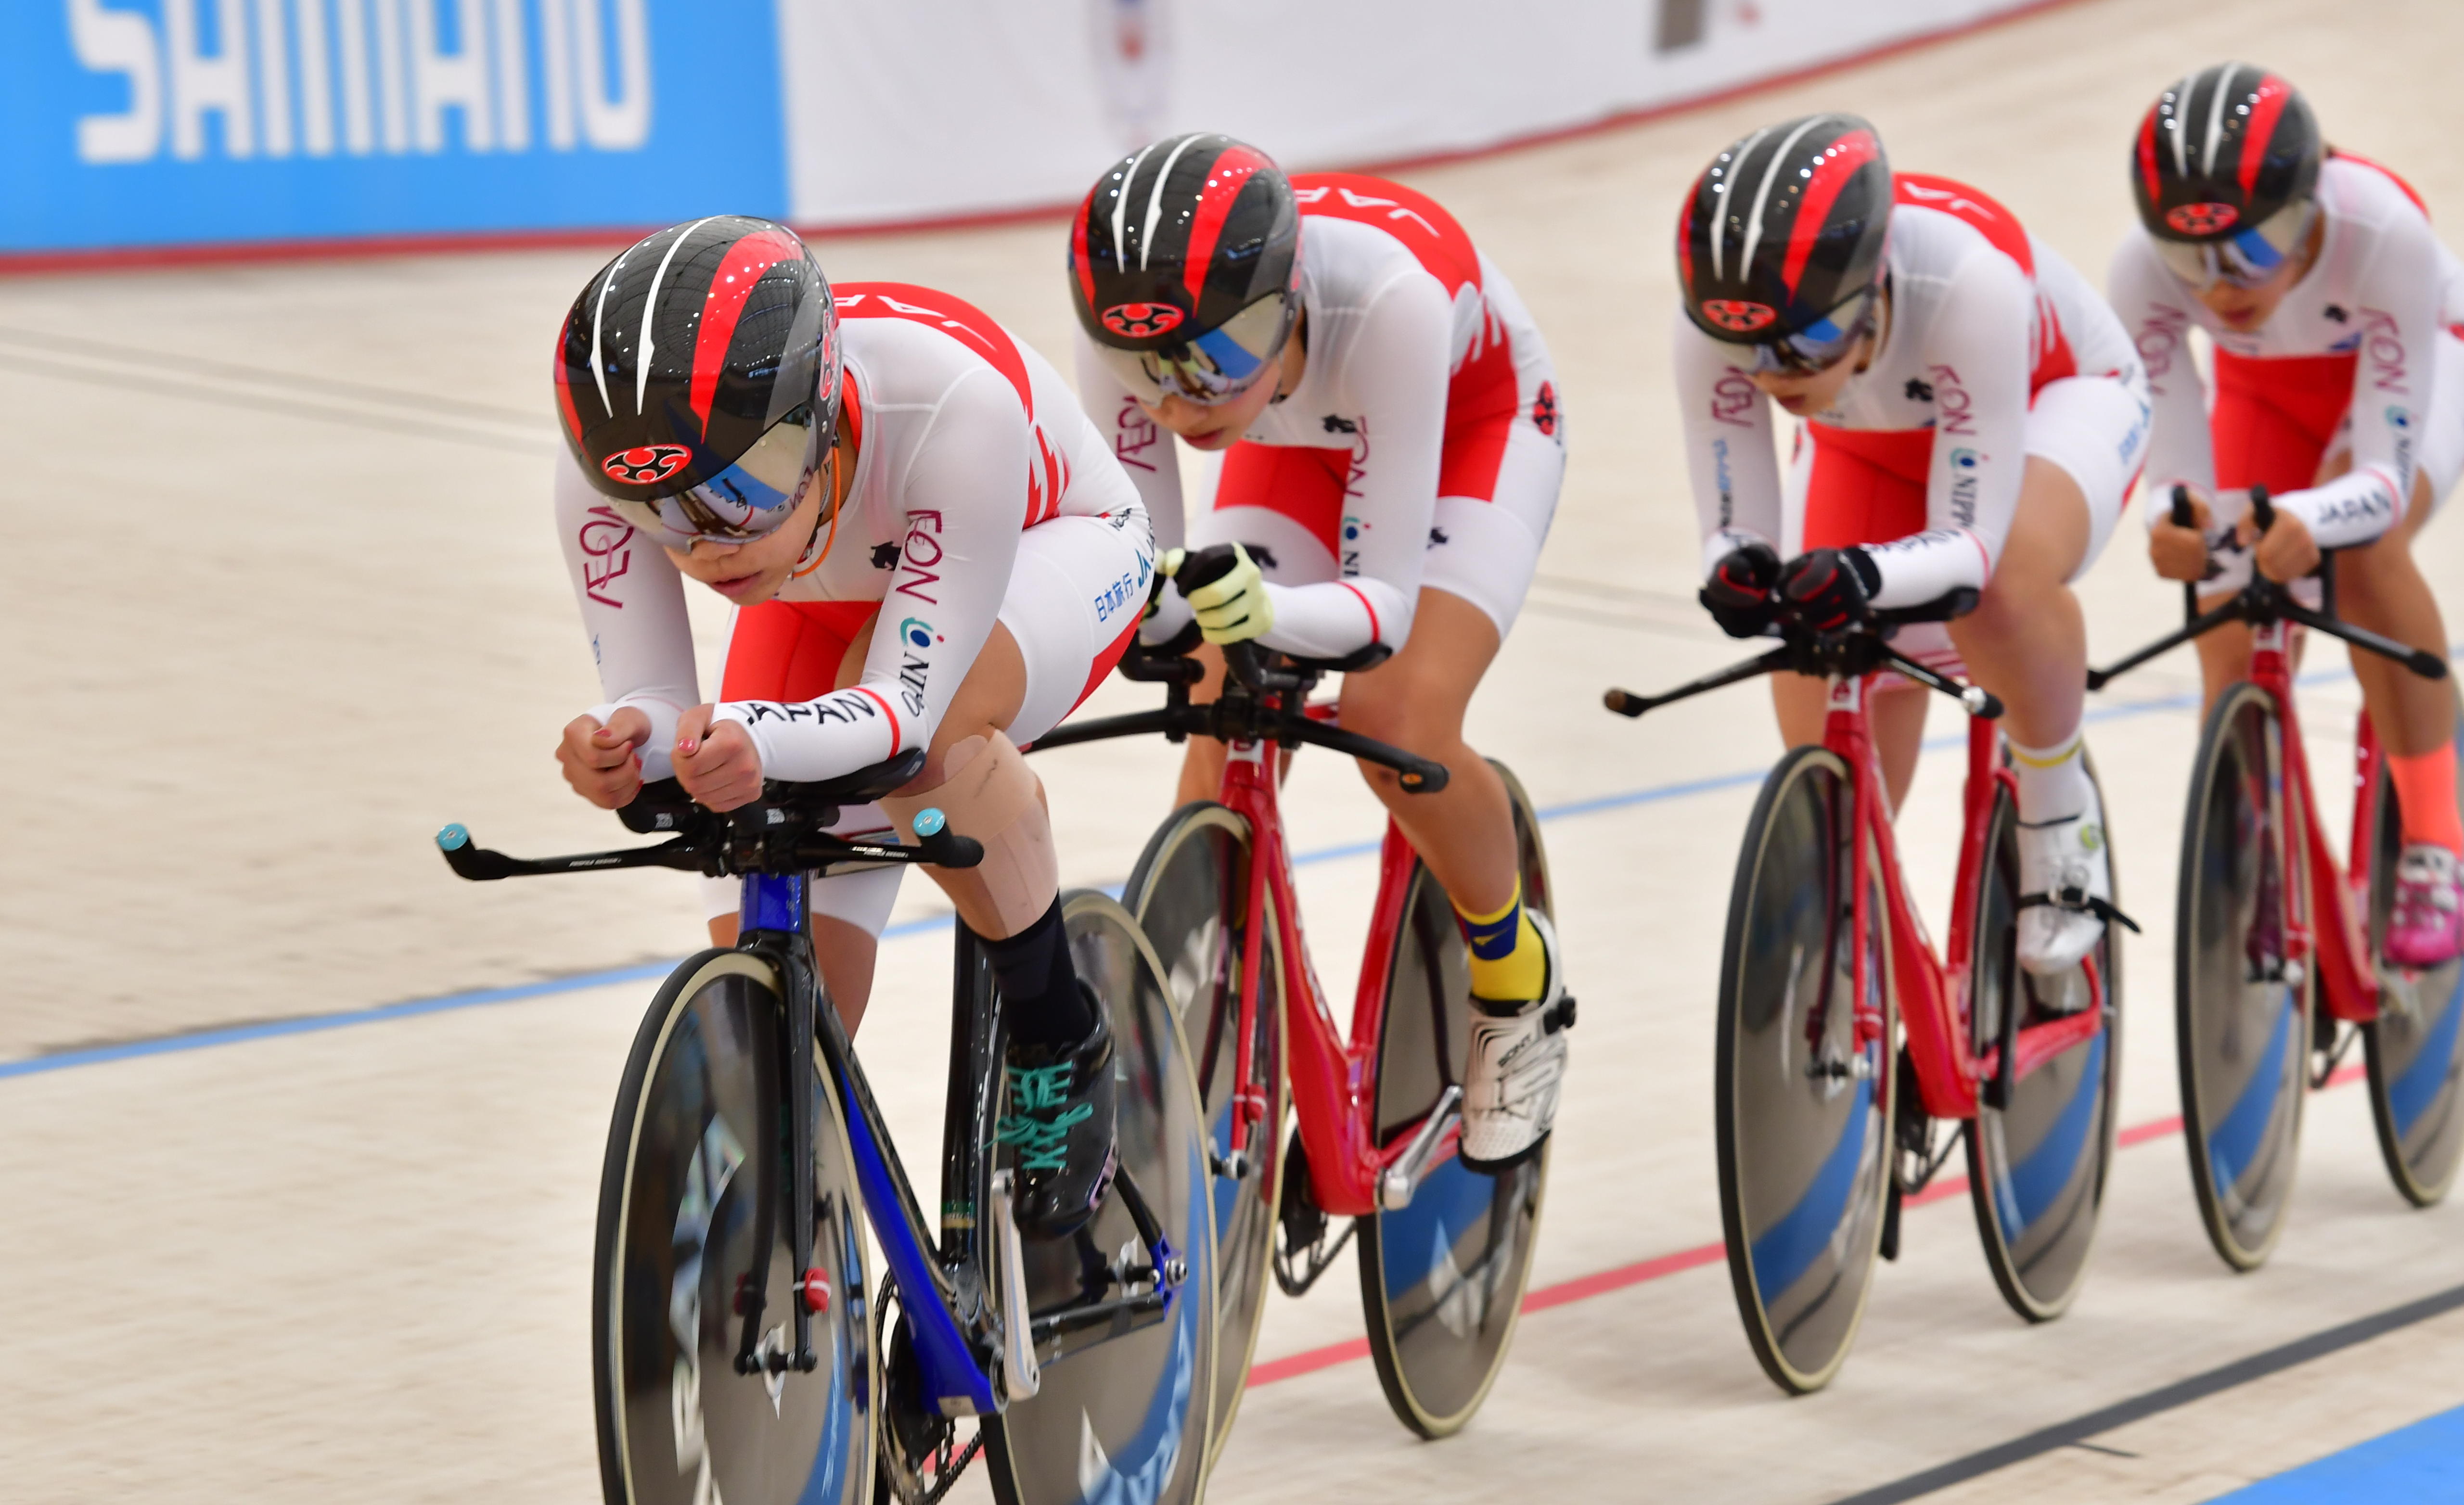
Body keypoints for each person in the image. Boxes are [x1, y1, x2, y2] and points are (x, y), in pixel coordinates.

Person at [547, 216, 1158, 1237]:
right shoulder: (606, 468)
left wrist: (759, 738)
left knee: (927, 750)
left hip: (1050, 545)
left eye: (741, 489)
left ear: (821, 423)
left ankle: (1060, 1032)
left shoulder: (950, 406)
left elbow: (897, 716)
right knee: (777, 977)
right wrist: (622, 746)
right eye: (663, 518)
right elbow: (655, 698)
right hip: (823, 593)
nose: (707, 548)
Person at [1067, 135, 1572, 1167]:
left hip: (1473, 427)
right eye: (1146, 372)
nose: (1177, 404)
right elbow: (1148, 567)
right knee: (1220, 705)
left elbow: (1380, 613)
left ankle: (1516, 976)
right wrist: (1153, 619)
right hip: (1291, 437)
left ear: (1290, 302)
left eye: (1213, 360)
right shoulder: (1135, 327)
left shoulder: (1391, 300)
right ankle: (1189, 1007)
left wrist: (1260, 612)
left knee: (1396, 720)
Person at [1673, 115, 2152, 973]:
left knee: (2001, 591)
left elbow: (1970, 545)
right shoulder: (1719, 317)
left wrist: (1861, 572)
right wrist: (1736, 568)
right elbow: (1737, 522)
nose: (1774, 374)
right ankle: (1859, 928)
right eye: (1745, 348)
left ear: (1873, 293)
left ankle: (2057, 814)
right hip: (1867, 440)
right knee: (1815, 656)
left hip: (2053, 402)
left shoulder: (1966, 282)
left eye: (1806, 343)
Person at [2112, 63, 2464, 968]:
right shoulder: (2138, 269)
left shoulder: (2382, 229)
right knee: (2225, 602)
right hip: (2268, 391)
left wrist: (2313, 516)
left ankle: (2437, 847)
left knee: (2361, 551)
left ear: (2309, 208)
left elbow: (2383, 477)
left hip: (2427, 364)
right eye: (2191, 260)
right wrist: (2175, 523)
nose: (2222, 287)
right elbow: (2178, 469)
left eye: (2252, 249)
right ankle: (2261, 847)